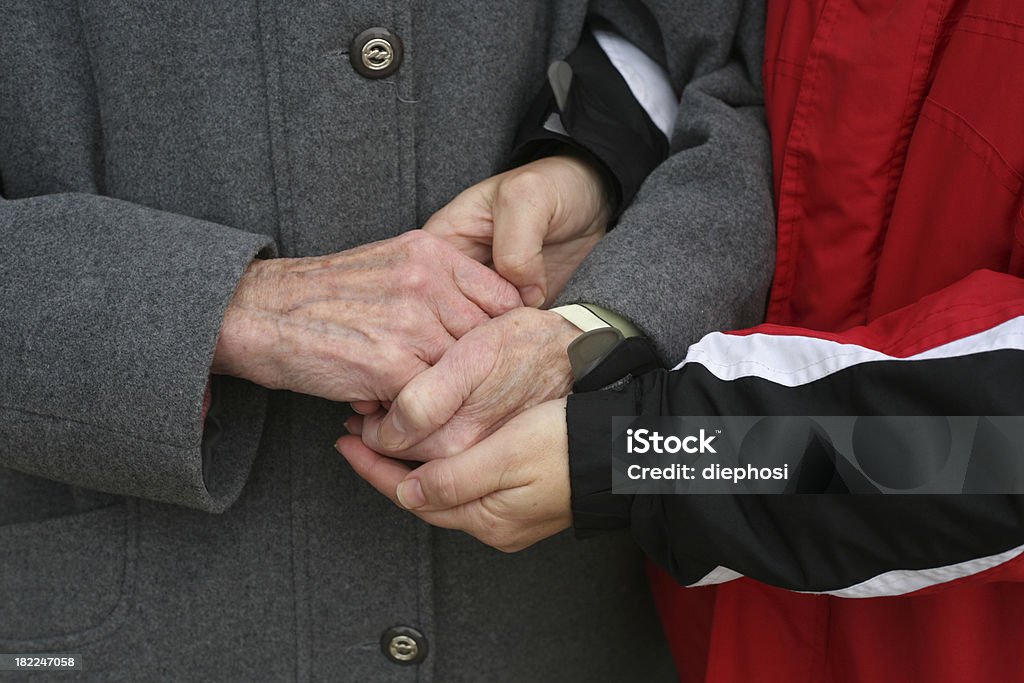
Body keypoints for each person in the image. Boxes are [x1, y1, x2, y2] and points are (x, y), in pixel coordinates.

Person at [0, 1, 774, 680]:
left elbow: (722, 70)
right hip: (113, 623)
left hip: (563, 626)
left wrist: (590, 183)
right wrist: (229, 304)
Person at [340, 0, 1024, 681]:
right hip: (725, 637)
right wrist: (596, 161)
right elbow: (710, 52)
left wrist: (640, 452)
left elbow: (1003, 443)